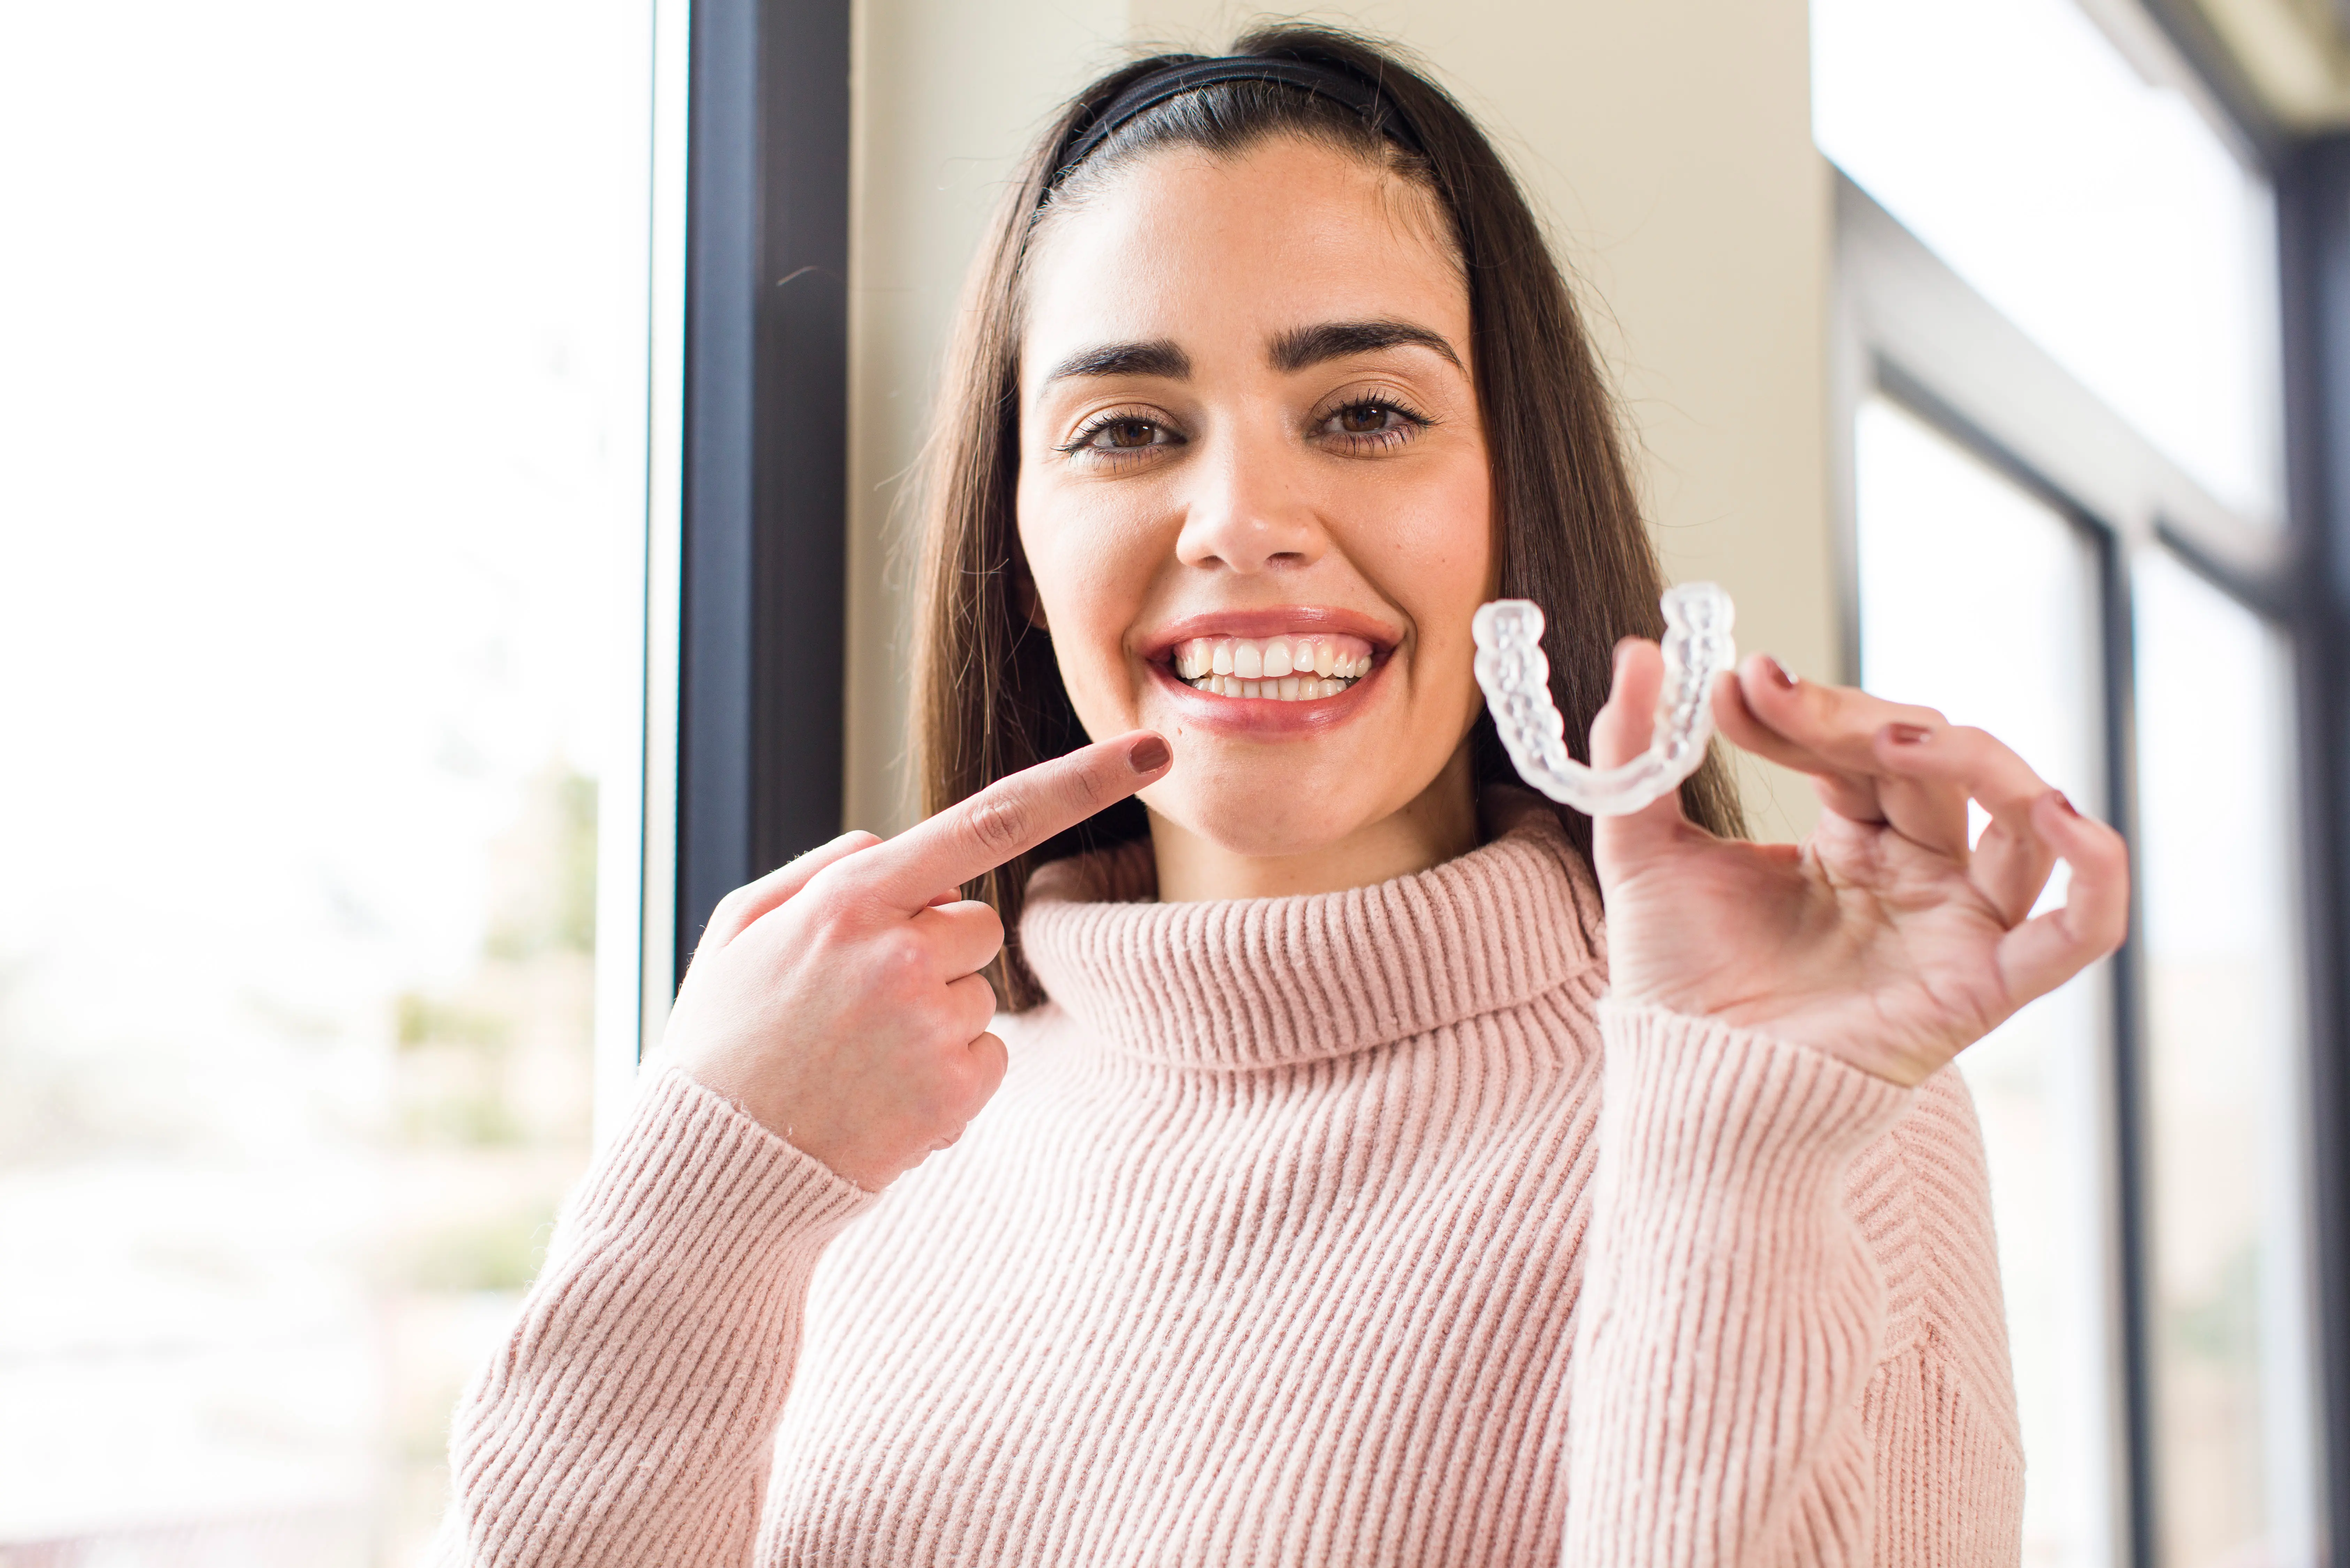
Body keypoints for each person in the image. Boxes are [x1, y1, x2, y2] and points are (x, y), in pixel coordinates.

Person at [435, 25, 2126, 1566]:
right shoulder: (857, 1118)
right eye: (1127, 429)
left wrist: (1737, 1167)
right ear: (1019, 535)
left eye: (1368, 412)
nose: (1242, 518)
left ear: (1512, 489)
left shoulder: (1793, 1103)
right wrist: (704, 1180)